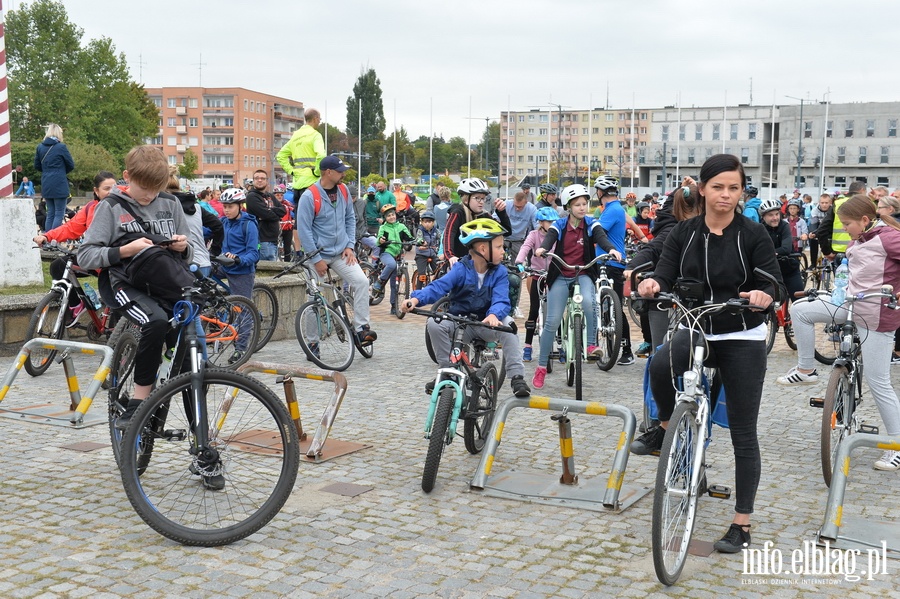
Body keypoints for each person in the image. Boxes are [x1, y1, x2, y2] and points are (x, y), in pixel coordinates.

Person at [631, 153, 783, 554]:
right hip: (698, 325)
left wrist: (765, 295)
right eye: (718, 187)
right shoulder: (685, 233)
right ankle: (665, 427)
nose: (726, 195)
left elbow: (775, 284)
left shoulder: (753, 234)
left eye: (734, 188)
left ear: (741, 191)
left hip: (742, 333)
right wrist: (650, 284)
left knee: (744, 432)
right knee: (660, 365)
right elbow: (663, 272)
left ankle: (742, 523)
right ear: (702, 189)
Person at [777, 195, 900, 471]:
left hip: (877, 318)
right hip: (849, 306)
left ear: (865, 220)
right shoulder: (863, 239)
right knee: (800, 310)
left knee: (878, 381)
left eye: (847, 224)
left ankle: (896, 445)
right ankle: (806, 370)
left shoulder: (889, 238)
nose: (845, 229)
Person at [77, 146, 194, 434]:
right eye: (144, 188)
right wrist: (123, 250)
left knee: (190, 358)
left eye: (157, 189)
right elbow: (85, 256)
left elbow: (189, 255)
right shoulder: (111, 207)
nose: (149, 196)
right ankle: (138, 402)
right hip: (124, 284)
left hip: (166, 283)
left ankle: (200, 441)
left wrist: (183, 246)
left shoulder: (171, 204)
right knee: (154, 321)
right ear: (127, 177)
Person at [401, 218, 531, 398]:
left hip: (487, 323)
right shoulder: (461, 269)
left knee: (509, 327)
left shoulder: (500, 272)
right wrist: (415, 299)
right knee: (434, 322)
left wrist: (494, 314)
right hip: (461, 323)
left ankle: (517, 377)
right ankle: (447, 371)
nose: (504, 251)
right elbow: (438, 287)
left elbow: (502, 299)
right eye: (500, 246)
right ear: (483, 249)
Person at [531, 184, 621, 389]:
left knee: (590, 302)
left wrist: (612, 250)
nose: (582, 208)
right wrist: (543, 248)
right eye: (577, 204)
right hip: (561, 274)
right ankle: (541, 366)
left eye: (585, 203)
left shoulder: (591, 223)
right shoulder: (559, 225)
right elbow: (550, 238)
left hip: (584, 273)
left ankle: (590, 345)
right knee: (552, 321)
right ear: (568, 207)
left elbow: (602, 238)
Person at [295, 155, 377, 346]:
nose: (343, 173)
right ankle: (313, 343)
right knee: (314, 297)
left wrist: (349, 245)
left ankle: (361, 329)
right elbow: (304, 231)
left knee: (361, 281)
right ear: (328, 172)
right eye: (340, 170)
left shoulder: (343, 191)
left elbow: (350, 218)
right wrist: (316, 259)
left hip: (341, 252)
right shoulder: (309, 196)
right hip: (317, 255)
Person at [624, 180, 703, 354]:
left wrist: (682, 188)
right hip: (669, 282)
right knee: (661, 352)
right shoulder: (674, 229)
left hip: (697, 290)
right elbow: (653, 248)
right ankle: (654, 353)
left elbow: (671, 203)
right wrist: (633, 267)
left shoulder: (673, 217)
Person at [33, 171, 118, 321]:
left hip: (114, 261)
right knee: (58, 266)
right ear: (96, 191)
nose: (111, 192)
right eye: (106, 188)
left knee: (117, 299)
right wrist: (47, 236)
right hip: (93, 258)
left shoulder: (122, 207)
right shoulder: (90, 208)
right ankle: (76, 304)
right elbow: (71, 228)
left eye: (114, 188)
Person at [594, 175, 636, 365]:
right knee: (610, 307)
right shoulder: (614, 208)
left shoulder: (612, 210)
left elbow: (596, 232)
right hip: (609, 262)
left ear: (600, 192)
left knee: (616, 307)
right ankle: (617, 348)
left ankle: (626, 350)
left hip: (611, 263)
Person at [515, 207, 558, 361]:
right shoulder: (534, 235)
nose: (552, 224)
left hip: (554, 276)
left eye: (554, 221)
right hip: (537, 275)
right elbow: (525, 247)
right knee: (533, 310)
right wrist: (519, 261)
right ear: (540, 222)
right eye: (549, 222)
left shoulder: (558, 234)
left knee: (557, 311)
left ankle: (560, 345)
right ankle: (528, 346)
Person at [442, 178, 511, 265]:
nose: (481, 202)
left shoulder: (484, 215)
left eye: (483, 198)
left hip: (480, 264)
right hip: (459, 262)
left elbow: (506, 232)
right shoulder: (457, 212)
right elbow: (448, 234)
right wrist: (450, 256)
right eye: (477, 198)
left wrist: (502, 212)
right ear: (466, 199)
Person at [759, 198, 805, 300]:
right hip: (770, 272)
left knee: (799, 301)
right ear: (763, 217)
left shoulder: (784, 226)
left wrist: (771, 253)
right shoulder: (760, 229)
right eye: (771, 215)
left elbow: (786, 248)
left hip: (789, 270)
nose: (775, 218)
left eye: (777, 214)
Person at [276, 108, 325, 201]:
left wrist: (291, 170)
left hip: (297, 184)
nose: (319, 122)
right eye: (319, 119)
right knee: (314, 214)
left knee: (299, 214)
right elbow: (321, 155)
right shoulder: (315, 135)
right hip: (311, 183)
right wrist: (318, 172)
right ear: (315, 118)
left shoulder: (295, 136)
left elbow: (280, 155)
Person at [372, 204, 414, 314]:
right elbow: (378, 240)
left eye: (393, 214)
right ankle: (380, 282)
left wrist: (418, 241)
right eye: (388, 216)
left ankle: (393, 306)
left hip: (398, 255)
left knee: (394, 283)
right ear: (385, 218)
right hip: (386, 253)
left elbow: (409, 238)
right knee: (391, 265)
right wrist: (381, 240)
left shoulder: (401, 227)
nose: (391, 217)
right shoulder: (383, 228)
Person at [33, 123, 75, 231]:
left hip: (46, 182)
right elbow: (71, 164)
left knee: (50, 212)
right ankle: (54, 240)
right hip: (59, 182)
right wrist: (61, 172)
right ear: (58, 133)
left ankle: (47, 239)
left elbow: (37, 165)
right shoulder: (61, 147)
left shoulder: (40, 147)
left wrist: (47, 172)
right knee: (59, 213)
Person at [815, 180, 867, 258]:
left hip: (839, 252)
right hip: (861, 250)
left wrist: (826, 252)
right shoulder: (866, 204)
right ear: (862, 190)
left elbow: (822, 229)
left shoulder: (837, 203)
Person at [244, 169, 286, 262]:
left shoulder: (270, 195)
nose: (259, 180)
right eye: (257, 178)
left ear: (267, 181)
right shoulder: (251, 196)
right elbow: (268, 215)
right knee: (267, 270)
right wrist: (275, 214)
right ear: (253, 181)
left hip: (273, 240)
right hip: (262, 239)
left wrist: (271, 210)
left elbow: (283, 210)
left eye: (262, 178)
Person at [414, 210, 440, 290]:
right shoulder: (420, 230)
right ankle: (417, 293)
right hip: (421, 255)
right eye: (425, 222)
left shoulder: (436, 231)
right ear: (421, 222)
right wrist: (422, 242)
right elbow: (418, 239)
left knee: (439, 272)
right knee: (422, 275)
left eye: (430, 222)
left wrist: (438, 248)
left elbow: (440, 239)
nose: (427, 224)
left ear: (433, 222)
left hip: (433, 254)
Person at [807, 193, 833, 268]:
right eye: (822, 203)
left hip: (829, 229)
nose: (824, 205)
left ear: (830, 203)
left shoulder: (833, 210)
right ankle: (813, 263)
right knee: (813, 239)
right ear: (819, 202)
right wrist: (813, 233)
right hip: (818, 228)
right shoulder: (815, 211)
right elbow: (813, 224)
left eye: (826, 203)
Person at [275, 185, 296, 260]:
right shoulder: (272, 204)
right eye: (277, 195)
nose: (280, 196)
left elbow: (293, 209)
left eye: (281, 195)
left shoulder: (286, 203)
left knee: (287, 248)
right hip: (277, 227)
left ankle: (288, 264)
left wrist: (294, 219)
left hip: (288, 227)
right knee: (275, 247)